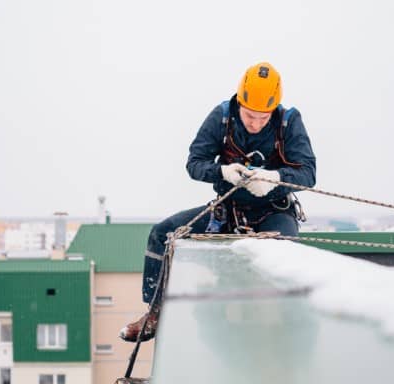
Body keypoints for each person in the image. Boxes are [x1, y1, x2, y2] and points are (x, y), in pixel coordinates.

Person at [119, 62, 316, 342]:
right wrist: (221, 171)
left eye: (263, 118)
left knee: (282, 255)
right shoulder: (222, 117)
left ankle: (284, 326)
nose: (256, 123)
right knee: (162, 233)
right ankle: (154, 312)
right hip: (228, 210)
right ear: (239, 103)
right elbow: (194, 163)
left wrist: (275, 178)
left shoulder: (288, 121)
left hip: (274, 211)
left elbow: (308, 173)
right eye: (250, 116)